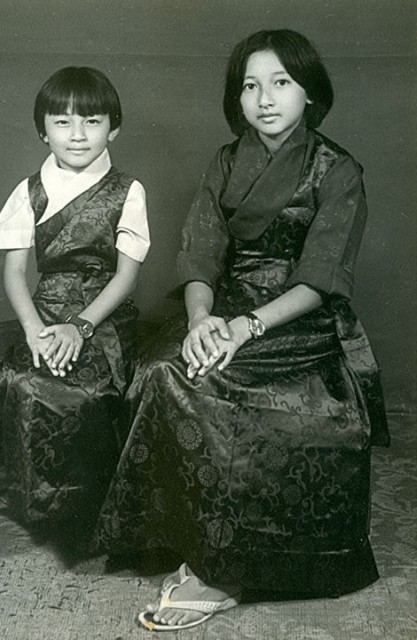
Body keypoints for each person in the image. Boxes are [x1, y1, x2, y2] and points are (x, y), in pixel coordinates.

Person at [91, 30, 389, 631]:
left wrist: (245, 328)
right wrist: (202, 320)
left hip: (297, 319)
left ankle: (223, 573)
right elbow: (200, 254)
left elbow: (320, 277)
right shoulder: (227, 161)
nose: (265, 98)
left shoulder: (338, 170)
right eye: (251, 85)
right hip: (225, 307)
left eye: (281, 82)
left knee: (229, 389)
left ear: (310, 94)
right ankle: (185, 541)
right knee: (161, 370)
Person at [0, 67, 150, 531]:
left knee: (89, 390)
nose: (77, 135)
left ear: (113, 127)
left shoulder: (127, 191)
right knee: (24, 381)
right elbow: (14, 272)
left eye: (92, 122)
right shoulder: (28, 191)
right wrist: (36, 329)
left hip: (103, 314)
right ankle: (43, 506)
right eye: (63, 122)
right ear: (42, 130)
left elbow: (126, 277)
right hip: (46, 310)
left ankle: (92, 508)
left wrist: (81, 327)